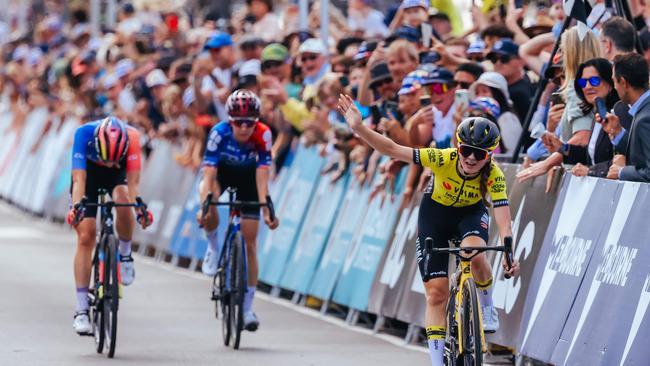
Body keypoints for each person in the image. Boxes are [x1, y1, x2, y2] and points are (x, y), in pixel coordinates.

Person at [338, 95, 519, 366]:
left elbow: (504, 219)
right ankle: (436, 361)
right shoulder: (441, 157)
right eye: (465, 150)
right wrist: (359, 128)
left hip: (469, 214)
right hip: (435, 214)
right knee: (436, 293)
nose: (470, 158)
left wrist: (508, 252)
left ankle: (487, 304)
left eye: (479, 154)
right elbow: (392, 149)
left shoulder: (493, 174)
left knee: (476, 254)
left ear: (490, 154)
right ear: (457, 147)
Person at [197, 89, 280, 331]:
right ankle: (213, 247)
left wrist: (266, 208)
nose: (244, 128)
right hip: (222, 174)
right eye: (238, 123)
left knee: (250, 243)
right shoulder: (218, 134)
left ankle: (247, 309)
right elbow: (209, 175)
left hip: (248, 179)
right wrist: (205, 206)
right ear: (230, 121)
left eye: (249, 123)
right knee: (210, 202)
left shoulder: (263, 134)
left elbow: (263, 175)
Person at [67, 116, 152, 335]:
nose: (108, 163)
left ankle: (124, 254)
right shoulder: (83, 135)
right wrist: (76, 208)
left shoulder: (132, 138)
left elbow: (133, 185)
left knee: (124, 199)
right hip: (89, 176)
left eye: (113, 160)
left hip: (118, 177)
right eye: (106, 159)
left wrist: (140, 209)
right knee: (86, 236)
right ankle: (82, 310)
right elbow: (79, 180)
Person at [603, 53, 650, 182]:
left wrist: (621, 171)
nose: (614, 87)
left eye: (614, 81)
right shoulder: (643, 110)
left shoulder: (645, 118)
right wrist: (619, 134)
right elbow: (641, 156)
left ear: (623, 82)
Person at [486, 38, 533, 122]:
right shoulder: (495, 89)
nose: (498, 63)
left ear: (521, 60)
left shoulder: (521, 92)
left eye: (505, 58)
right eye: (494, 59)